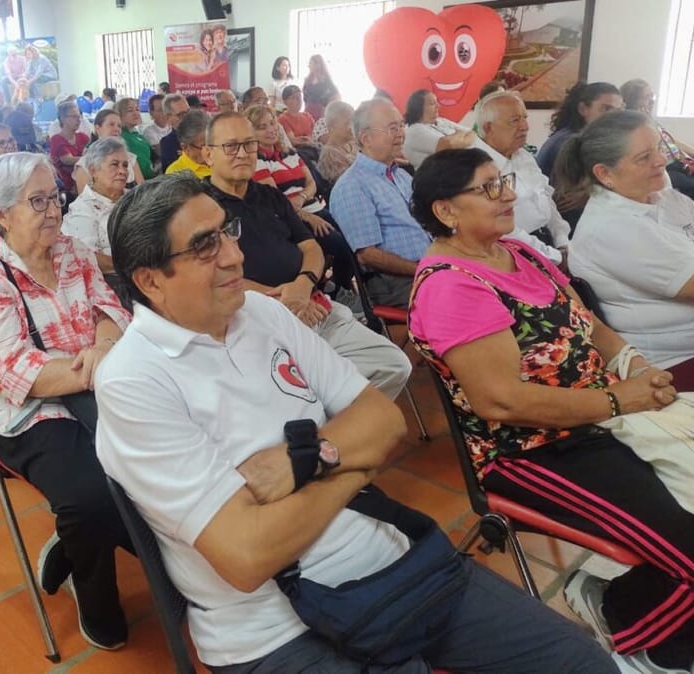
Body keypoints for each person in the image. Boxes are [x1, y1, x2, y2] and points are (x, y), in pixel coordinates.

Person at [96, 171, 618, 674]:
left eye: (226, 232)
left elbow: (384, 421)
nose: (235, 255)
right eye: (205, 246)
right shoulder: (134, 381)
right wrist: (352, 465)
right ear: (149, 281)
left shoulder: (263, 313)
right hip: (278, 628)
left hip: (393, 561)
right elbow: (248, 555)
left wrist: (303, 461)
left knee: (584, 662)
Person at [408, 147, 694, 673]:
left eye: (505, 181)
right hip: (533, 450)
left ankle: (635, 602)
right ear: (446, 211)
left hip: (598, 418)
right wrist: (614, 399)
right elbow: (502, 401)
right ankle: (635, 628)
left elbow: (591, 327)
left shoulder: (522, 254)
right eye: (489, 188)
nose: (510, 195)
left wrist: (635, 366)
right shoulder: (452, 285)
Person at [0, 151, 134, 651]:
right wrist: (93, 368)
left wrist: (101, 345)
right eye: (38, 201)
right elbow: (7, 370)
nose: (54, 210)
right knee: (93, 495)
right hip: (26, 415)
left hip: (96, 384)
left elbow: (109, 308)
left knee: (157, 458)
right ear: (2, 213)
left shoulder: (73, 251)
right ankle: (92, 588)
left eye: (55, 197)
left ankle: (76, 546)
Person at [204, 112, 411, 398]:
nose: (243, 153)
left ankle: (334, 430)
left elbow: (311, 247)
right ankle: (323, 426)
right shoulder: (200, 207)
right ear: (207, 154)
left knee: (393, 365)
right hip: (256, 320)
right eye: (231, 146)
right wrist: (284, 301)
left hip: (312, 305)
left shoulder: (269, 196)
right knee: (308, 390)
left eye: (249, 145)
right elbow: (208, 275)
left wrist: (302, 287)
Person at [561, 110, 694, 388]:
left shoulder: (662, 197)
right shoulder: (611, 229)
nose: (661, 160)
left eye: (658, 148)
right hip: (673, 365)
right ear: (605, 174)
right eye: (644, 157)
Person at [329, 99, 431, 308]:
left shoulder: (401, 176)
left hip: (433, 266)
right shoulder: (352, 186)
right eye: (392, 128)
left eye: (401, 125)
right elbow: (368, 256)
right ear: (365, 138)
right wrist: (425, 270)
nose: (401, 133)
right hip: (400, 282)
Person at [246, 104, 353, 291]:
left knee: (353, 241)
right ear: (250, 132)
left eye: (272, 123)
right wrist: (308, 216)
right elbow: (276, 200)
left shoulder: (289, 152)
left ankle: (336, 286)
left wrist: (302, 197)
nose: (271, 130)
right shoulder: (257, 160)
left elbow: (312, 184)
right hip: (294, 217)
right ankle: (338, 289)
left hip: (313, 206)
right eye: (261, 127)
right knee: (340, 246)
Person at [473, 91, 571, 265]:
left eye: (524, 117)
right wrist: (553, 256)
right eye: (514, 121)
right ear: (488, 128)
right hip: (512, 252)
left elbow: (546, 198)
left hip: (547, 244)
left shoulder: (523, 155)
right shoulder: (476, 167)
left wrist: (562, 240)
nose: (525, 126)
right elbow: (499, 229)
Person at [63, 138, 129, 274]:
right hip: (115, 282)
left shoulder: (135, 198)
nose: (122, 171)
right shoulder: (82, 209)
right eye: (114, 165)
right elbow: (87, 256)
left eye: (125, 165)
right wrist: (135, 267)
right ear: (93, 171)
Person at [621, 78, 694, 200]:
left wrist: (690, 153)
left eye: (652, 97)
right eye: (646, 97)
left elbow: (670, 140)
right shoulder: (630, 123)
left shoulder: (649, 119)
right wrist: (644, 120)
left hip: (677, 163)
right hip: (664, 168)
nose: (651, 102)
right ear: (633, 101)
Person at [536, 82, 622, 179]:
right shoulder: (569, 142)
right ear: (583, 109)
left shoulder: (585, 138)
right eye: (606, 109)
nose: (613, 117)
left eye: (617, 111)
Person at [401, 89, 477, 170]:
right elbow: (448, 145)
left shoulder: (441, 121)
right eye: (432, 103)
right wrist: (461, 135)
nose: (438, 106)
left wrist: (457, 140)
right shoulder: (414, 130)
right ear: (418, 108)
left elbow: (472, 133)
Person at [71, 109, 142, 194]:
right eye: (111, 124)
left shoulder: (130, 158)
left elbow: (143, 190)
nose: (116, 129)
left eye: (119, 126)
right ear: (98, 128)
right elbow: (84, 201)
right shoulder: (84, 164)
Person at [49, 100, 90, 198]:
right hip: (66, 191)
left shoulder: (83, 137)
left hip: (85, 186)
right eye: (74, 116)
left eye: (79, 116)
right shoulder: (57, 139)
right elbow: (67, 160)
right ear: (63, 119)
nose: (79, 120)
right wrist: (88, 157)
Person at [316, 101, 358, 184]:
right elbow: (349, 183)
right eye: (347, 123)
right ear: (331, 126)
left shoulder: (352, 145)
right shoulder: (329, 155)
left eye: (353, 122)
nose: (351, 127)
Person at [115, 98, 155, 179]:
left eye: (137, 109)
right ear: (120, 115)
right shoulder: (121, 137)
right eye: (130, 110)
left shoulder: (137, 135)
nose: (135, 113)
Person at [165, 110, 211, 178]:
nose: (210, 151)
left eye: (212, 144)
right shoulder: (175, 174)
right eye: (203, 146)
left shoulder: (223, 159)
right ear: (185, 147)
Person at [158, 94, 190, 171]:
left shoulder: (203, 135)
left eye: (188, 112)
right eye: (181, 115)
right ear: (168, 118)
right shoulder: (167, 143)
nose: (187, 117)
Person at [302, 54, 339, 122]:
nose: (308, 66)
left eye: (311, 63)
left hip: (321, 112)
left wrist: (326, 108)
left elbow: (336, 95)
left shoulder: (326, 80)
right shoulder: (307, 80)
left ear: (317, 64)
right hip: (308, 110)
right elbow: (305, 97)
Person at [142, 94, 171, 159]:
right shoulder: (149, 131)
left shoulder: (174, 127)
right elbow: (161, 152)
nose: (165, 113)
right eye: (160, 110)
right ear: (151, 113)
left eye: (166, 109)